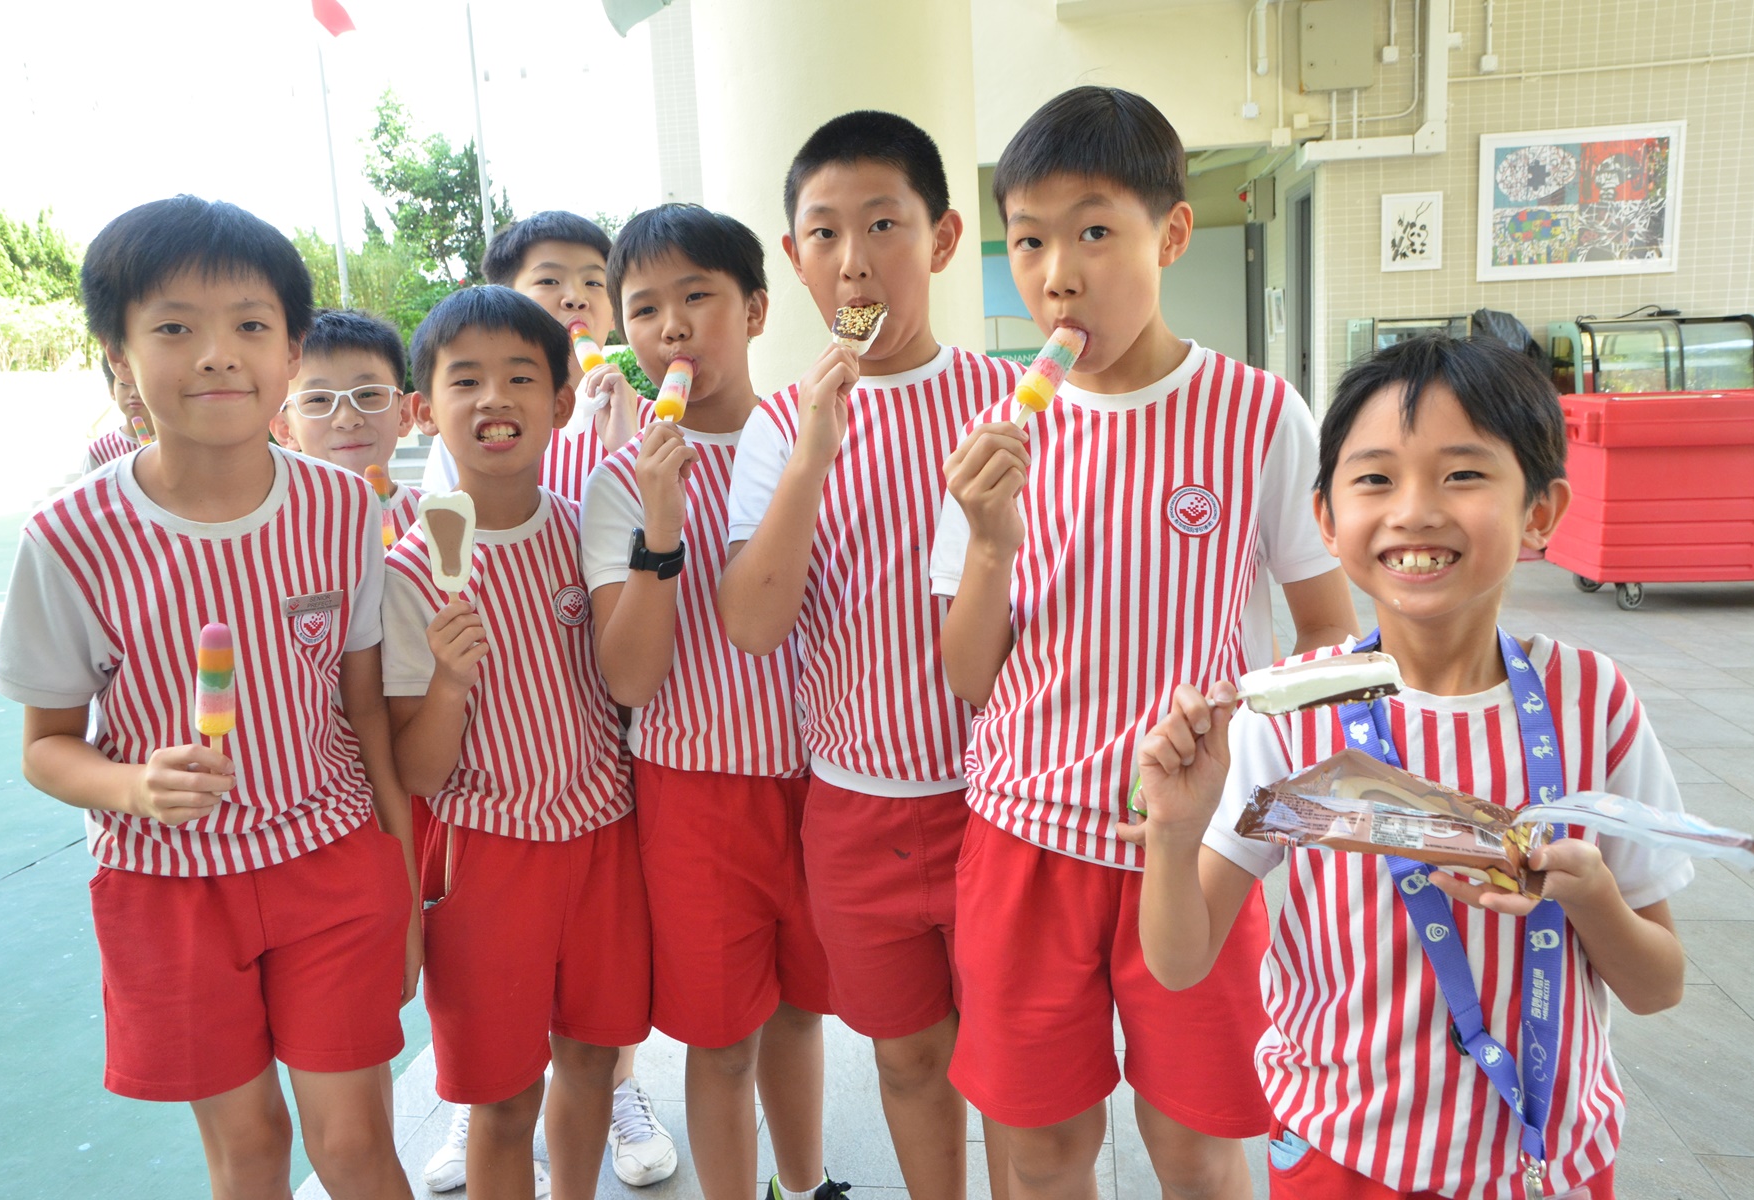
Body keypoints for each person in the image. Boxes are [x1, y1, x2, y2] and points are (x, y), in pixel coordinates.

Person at [1133, 334, 1694, 1199]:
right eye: (1375, 479)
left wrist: (1591, 896)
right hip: (1343, 1152)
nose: (1416, 511)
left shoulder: (1590, 702)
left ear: (1540, 511)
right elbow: (1181, 962)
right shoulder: (1293, 716)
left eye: (1463, 474)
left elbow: (1659, 985)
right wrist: (1173, 835)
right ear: (1326, 520)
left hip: (1547, 1157)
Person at [928, 85, 1357, 1197]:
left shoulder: (1260, 413)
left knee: (1199, 1142)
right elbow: (968, 676)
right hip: (1026, 836)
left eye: (1093, 232)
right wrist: (988, 540)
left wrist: (1265, 797)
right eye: (1030, 240)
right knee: (1041, 1148)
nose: (1056, 274)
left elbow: (1327, 631)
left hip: (1198, 849)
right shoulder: (996, 437)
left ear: (1171, 234)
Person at [0, 195, 418, 1198]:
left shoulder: (340, 508)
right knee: (249, 1147)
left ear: (289, 352)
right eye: (176, 327)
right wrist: (134, 785)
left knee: (354, 1143)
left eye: (250, 324)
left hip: (330, 859)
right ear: (118, 357)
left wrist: (401, 876)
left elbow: (363, 709)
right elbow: (46, 746)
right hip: (168, 886)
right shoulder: (68, 538)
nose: (218, 354)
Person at [719, 110, 1019, 1199]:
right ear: (795, 259)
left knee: (1011, 1064)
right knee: (907, 1058)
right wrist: (813, 453)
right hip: (852, 807)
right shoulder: (778, 426)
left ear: (941, 240)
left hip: (1000, 798)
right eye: (824, 233)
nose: (854, 260)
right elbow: (753, 624)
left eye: (884, 224)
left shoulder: (1011, 404)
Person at [583, 204, 845, 1200]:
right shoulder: (621, 481)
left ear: (757, 308)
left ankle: (805, 1185)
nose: (674, 326)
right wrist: (661, 525)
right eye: (646, 308)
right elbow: (629, 678)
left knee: (802, 1011)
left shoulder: (820, 441)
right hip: (693, 791)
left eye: (699, 295)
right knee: (724, 1036)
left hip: (823, 777)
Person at [417, 211, 676, 1194]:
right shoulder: (414, 564)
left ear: (563, 400)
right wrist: (449, 680)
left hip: (604, 842)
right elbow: (418, 768)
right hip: (486, 859)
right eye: (466, 381)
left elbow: (626, 674)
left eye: (522, 378)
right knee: (501, 1099)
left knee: (592, 1062)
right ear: (424, 409)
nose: (495, 398)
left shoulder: (583, 529)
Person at [419, 211, 643, 500]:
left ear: (615, 312)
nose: (576, 298)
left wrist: (629, 452)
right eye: (548, 281)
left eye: (594, 283)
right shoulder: (466, 426)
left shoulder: (649, 420)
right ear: (505, 302)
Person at [271, 308, 421, 532]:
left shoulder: (435, 517)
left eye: (368, 394)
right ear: (285, 429)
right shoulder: (275, 531)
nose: (348, 419)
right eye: (319, 399)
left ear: (404, 415)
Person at [77, 355, 151, 473]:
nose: (134, 393)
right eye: (124, 384)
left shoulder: (178, 445)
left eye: (141, 383)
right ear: (112, 390)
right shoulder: (98, 453)